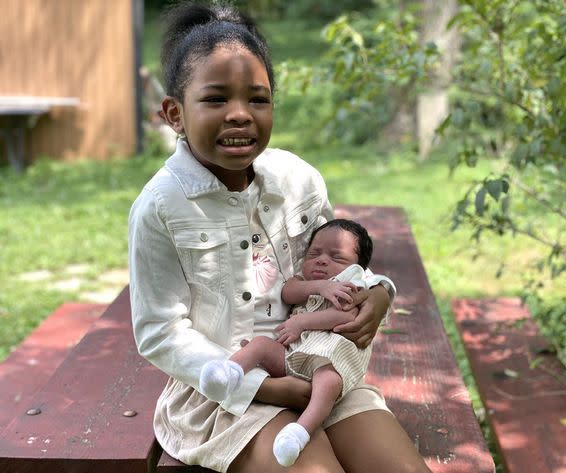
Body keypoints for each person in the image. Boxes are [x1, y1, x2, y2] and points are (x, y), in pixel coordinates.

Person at [128, 2, 432, 472]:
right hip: (225, 395)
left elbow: (337, 264)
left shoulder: (299, 180)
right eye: (215, 99)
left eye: (257, 99)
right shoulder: (161, 207)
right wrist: (265, 388)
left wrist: (379, 295)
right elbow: (160, 333)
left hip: (318, 372)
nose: (239, 115)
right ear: (175, 113)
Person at [200, 219, 383, 466]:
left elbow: (347, 316)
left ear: (357, 268)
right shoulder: (303, 279)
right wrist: (320, 286)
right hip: (294, 354)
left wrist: (303, 322)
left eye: (336, 258)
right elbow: (288, 292)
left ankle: (300, 431)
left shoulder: (354, 282)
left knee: (328, 383)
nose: (321, 260)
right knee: (262, 345)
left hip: (328, 361)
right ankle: (227, 374)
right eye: (314, 253)